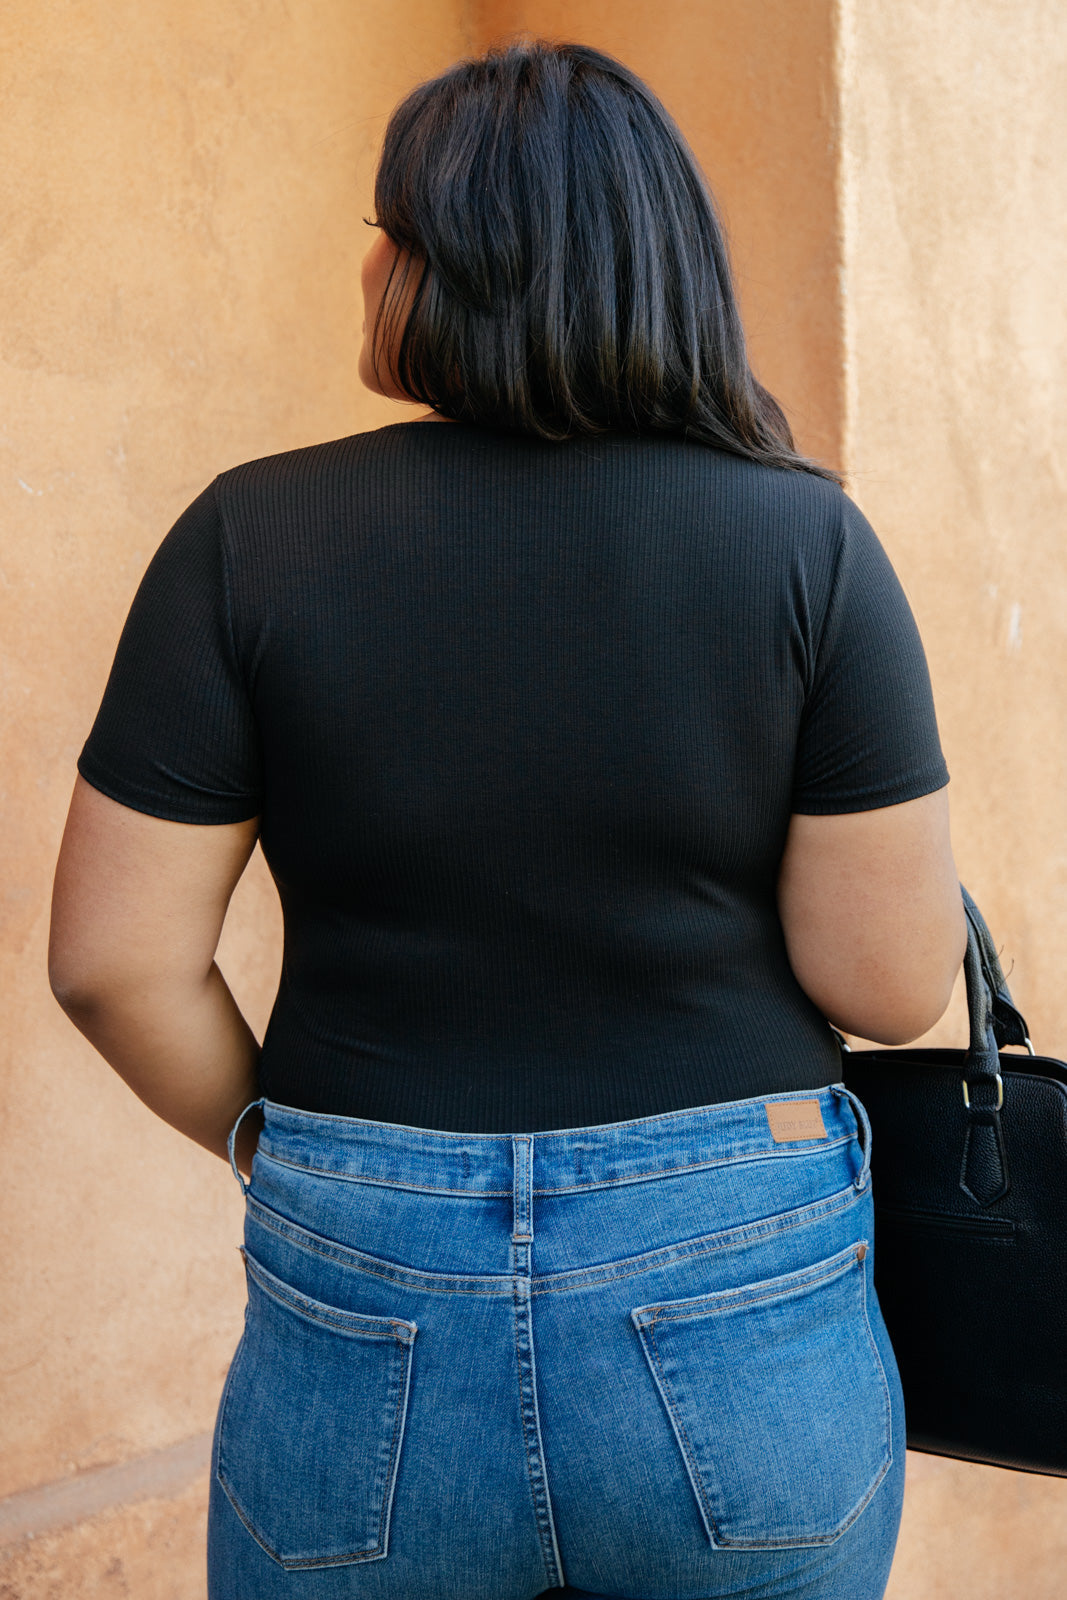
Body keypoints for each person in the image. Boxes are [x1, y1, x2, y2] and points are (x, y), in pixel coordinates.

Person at [49, 38, 966, 1600]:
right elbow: (889, 987)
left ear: (449, 272)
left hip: (369, 1283)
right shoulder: (810, 545)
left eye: (386, 238)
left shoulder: (246, 539)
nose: (371, 274)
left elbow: (115, 964)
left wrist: (288, 1154)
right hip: (733, 1297)